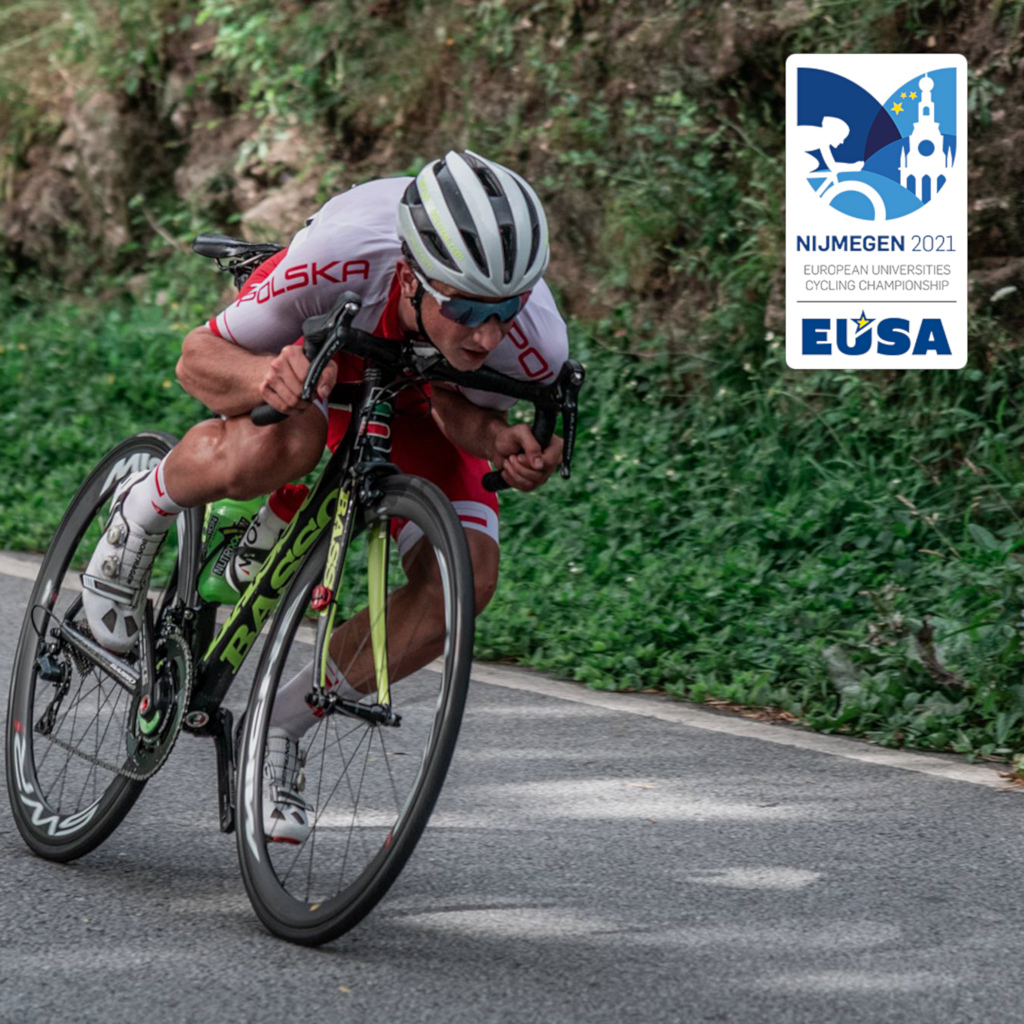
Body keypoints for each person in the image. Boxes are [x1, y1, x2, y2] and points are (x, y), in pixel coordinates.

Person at [81, 150, 570, 842]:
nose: (488, 333)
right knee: (281, 444)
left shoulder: (532, 340)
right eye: (465, 308)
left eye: (504, 310)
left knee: (468, 578)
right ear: (411, 275)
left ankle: (278, 727)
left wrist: (497, 439)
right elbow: (196, 358)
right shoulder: (339, 256)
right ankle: (139, 510)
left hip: (413, 397)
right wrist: (263, 380)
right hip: (327, 353)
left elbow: (453, 406)